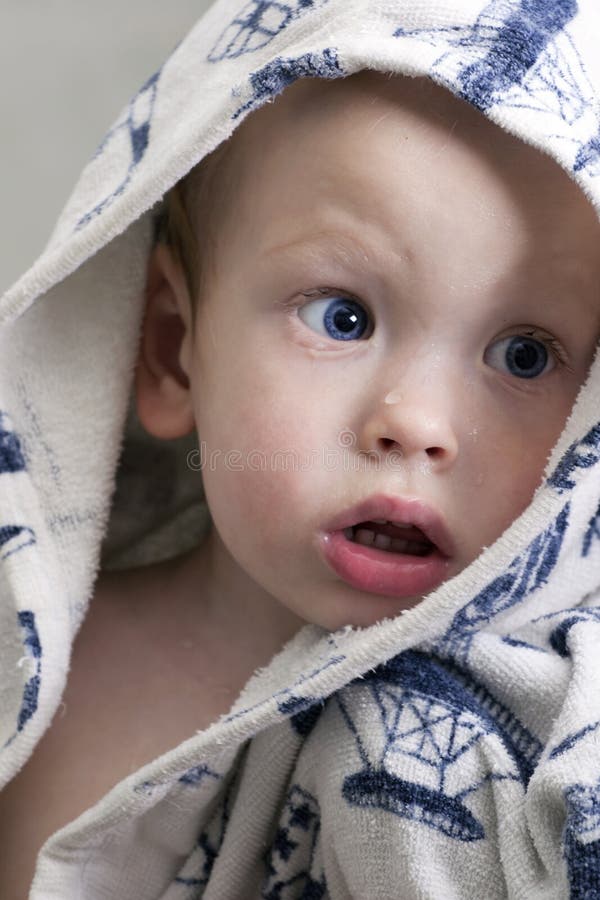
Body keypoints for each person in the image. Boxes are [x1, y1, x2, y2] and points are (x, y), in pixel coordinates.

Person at [1, 1, 600, 897]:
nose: (418, 425)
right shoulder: (32, 662)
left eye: (524, 356)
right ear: (173, 350)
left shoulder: (539, 753)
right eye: (342, 317)